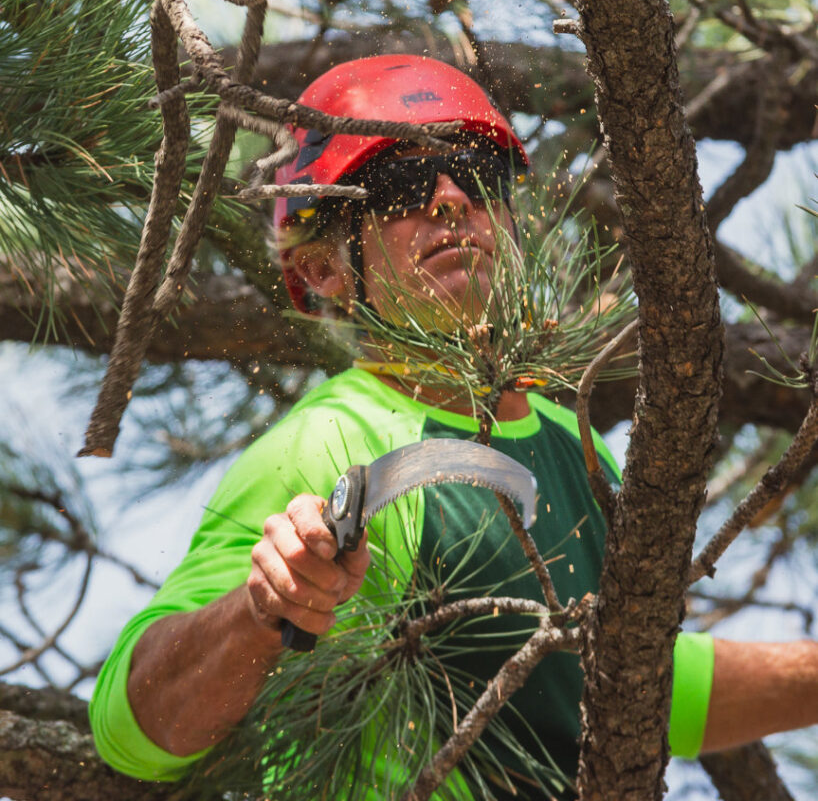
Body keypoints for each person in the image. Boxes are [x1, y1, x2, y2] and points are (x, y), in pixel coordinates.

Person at [90, 54, 818, 797]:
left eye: (476, 174)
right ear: (322, 270)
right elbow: (131, 728)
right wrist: (260, 610)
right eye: (400, 187)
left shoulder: (572, 440)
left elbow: (647, 686)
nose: (447, 199)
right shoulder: (333, 444)